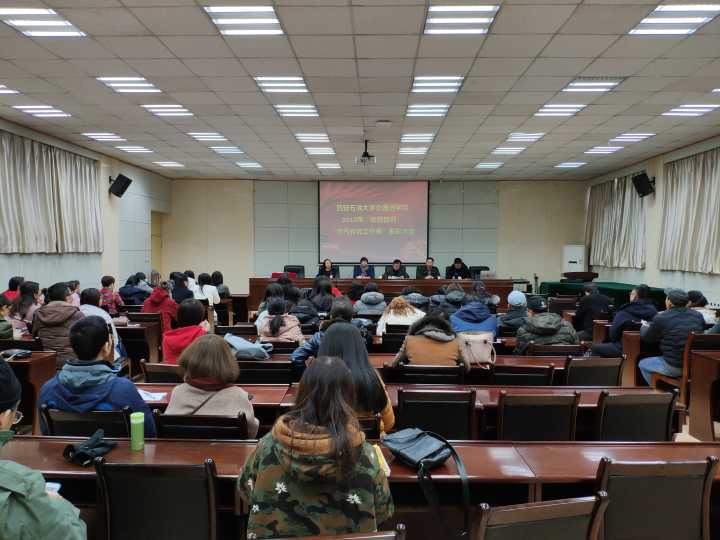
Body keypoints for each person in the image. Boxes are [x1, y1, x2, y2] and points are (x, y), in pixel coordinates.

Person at [238, 356, 394, 539]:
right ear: (349, 397)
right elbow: (383, 510)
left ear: (302, 392)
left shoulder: (267, 446)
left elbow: (245, 490)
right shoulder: (366, 455)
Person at [0, 359, 87, 540]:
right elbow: (73, 535)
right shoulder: (24, 492)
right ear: (3, 418)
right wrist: (58, 506)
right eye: (15, 416)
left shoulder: (49, 388)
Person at [39, 316, 156, 436]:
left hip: (66, 448)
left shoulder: (48, 389)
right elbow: (149, 432)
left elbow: (46, 432)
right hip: (116, 448)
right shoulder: (123, 389)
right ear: (106, 347)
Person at [166, 335, 259, 437]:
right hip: (227, 447)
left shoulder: (179, 392)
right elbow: (251, 432)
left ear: (190, 360)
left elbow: (168, 429)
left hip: (183, 447)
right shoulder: (239, 395)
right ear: (228, 362)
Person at [318, 323, 394, 431]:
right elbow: (389, 423)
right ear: (360, 347)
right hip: (369, 440)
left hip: (324, 440)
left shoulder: (313, 377)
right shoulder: (371, 376)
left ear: (324, 347)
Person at [638, 288, 705, 385]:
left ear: (669, 302)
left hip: (674, 366)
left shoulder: (662, 317)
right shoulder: (698, 315)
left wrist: (644, 326)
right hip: (694, 364)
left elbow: (647, 338)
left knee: (642, 364)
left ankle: (656, 392)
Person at [291, 297, 354, 379]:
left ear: (331, 316)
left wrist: (307, 378)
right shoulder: (357, 336)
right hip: (351, 381)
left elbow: (296, 357)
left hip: (324, 380)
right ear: (351, 318)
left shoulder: (319, 336)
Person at [591, 284, 657, 358]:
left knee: (595, 348)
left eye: (631, 293)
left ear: (635, 296)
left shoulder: (624, 311)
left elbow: (613, 335)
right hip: (648, 350)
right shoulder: (655, 312)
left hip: (624, 348)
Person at [32, 282, 85, 367]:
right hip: (72, 361)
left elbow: (34, 336)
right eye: (70, 294)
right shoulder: (77, 314)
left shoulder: (38, 314)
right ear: (66, 297)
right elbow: (84, 340)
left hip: (46, 361)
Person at [391, 314, 468, 370]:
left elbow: (394, 364)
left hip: (415, 385)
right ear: (446, 328)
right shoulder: (455, 342)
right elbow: (466, 368)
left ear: (418, 326)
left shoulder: (409, 340)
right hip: (449, 386)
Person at [514, 296, 579, 355]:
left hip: (536, 364)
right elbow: (577, 348)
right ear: (547, 310)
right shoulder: (567, 325)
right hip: (564, 363)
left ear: (530, 311)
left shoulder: (523, 330)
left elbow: (519, 353)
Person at [79, 288, 122, 365]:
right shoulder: (102, 313)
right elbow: (114, 341)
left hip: (80, 352)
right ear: (98, 300)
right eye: (101, 298)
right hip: (104, 354)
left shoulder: (76, 311)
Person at [162, 299, 209, 365]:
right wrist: (206, 332)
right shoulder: (203, 336)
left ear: (178, 317)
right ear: (201, 317)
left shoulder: (166, 338)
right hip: (195, 371)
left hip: (171, 371)